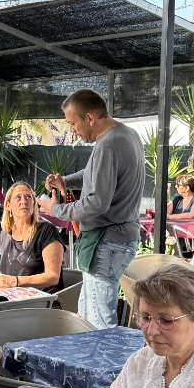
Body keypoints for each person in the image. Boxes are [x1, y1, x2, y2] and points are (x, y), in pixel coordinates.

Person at [43, 89, 145, 330]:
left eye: (73, 123)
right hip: (120, 238)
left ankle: (107, 368)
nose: (72, 130)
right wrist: (65, 181)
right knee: (86, 316)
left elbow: (96, 204)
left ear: (89, 118)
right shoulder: (127, 135)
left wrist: (55, 208)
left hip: (105, 241)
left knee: (98, 322)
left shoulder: (107, 146)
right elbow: (95, 174)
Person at [0, 181, 64, 291]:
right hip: (14, 297)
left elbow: (53, 277)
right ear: (8, 206)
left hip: (42, 302)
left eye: (28, 197)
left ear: (34, 204)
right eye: (18, 197)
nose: (24, 201)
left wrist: (15, 281)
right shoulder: (6, 232)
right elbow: (8, 273)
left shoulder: (47, 231)